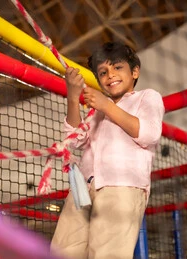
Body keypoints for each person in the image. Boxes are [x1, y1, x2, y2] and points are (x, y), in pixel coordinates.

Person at [50, 41, 165, 259]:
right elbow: (74, 140)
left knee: (108, 254)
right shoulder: (96, 111)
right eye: (103, 72)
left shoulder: (147, 97)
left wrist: (106, 106)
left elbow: (149, 134)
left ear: (135, 72)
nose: (110, 75)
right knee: (62, 250)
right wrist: (73, 98)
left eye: (117, 67)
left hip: (122, 187)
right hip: (82, 188)